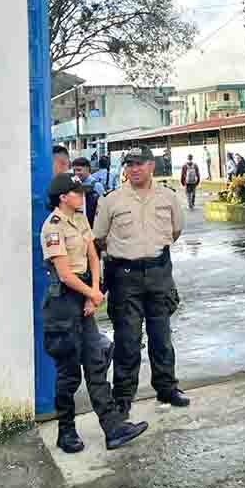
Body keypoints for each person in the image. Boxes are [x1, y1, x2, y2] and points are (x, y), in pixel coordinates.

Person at [41, 173, 148, 453]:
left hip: (86, 294)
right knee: (68, 373)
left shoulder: (79, 218)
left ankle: (113, 429)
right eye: (77, 192)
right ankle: (66, 432)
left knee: (96, 365)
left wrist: (94, 290)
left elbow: (92, 255)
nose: (82, 195)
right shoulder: (52, 227)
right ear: (63, 197)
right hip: (63, 304)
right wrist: (91, 294)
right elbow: (64, 274)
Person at [93, 145, 190, 417]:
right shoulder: (111, 200)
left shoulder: (168, 197)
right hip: (125, 277)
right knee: (128, 340)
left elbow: (176, 229)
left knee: (161, 336)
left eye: (139, 163)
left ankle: (167, 387)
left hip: (159, 273)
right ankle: (122, 398)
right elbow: (99, 237)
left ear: (151, 166)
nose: (134, 169)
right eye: (130, 164)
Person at [72, 156, 104, 227]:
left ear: (87, 169)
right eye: (74, 170)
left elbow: (103, 208)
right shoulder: (73, 184)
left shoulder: (97, 186)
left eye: (79, 170)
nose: (76, 173)